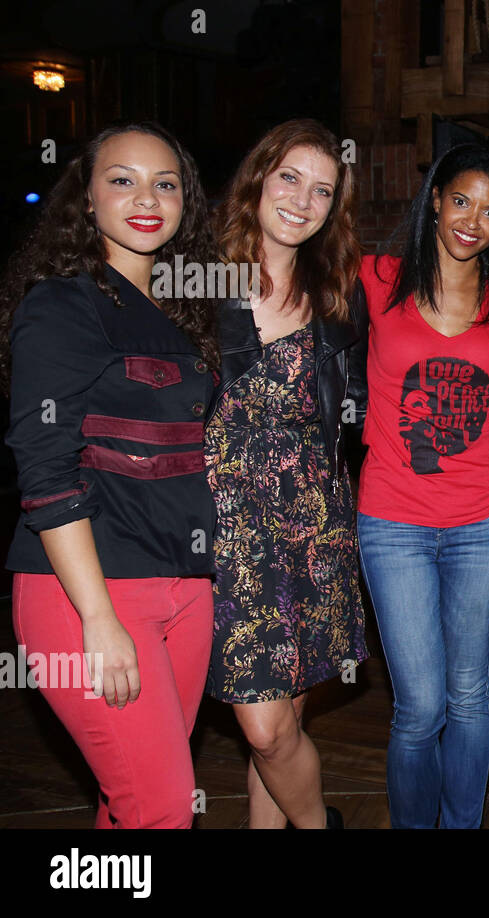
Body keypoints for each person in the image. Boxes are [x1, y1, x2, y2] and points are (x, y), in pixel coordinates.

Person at [0, 122, 220, 828]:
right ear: (86, 199)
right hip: (87, 594)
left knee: (132, 798)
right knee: (160, 809)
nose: (146, 197)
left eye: (165, 183)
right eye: (121, 179)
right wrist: (97, 617)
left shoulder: (184, 314)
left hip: (186, 590)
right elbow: (44, 469)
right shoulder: (62, 305)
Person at [356, 142, 489, 828]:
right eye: (461, 200)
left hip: (479, 521)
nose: (473, 221)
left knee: (470, 697)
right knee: (420, 706)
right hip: (392, 520)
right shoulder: (375, 278)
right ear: (435, 199)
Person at [206, 119, 367, 829]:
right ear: (258, 179)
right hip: (226, 539)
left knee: (282, 728)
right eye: (290, 178)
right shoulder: (199, 280)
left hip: (316, 528)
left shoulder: (335, 295)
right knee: (268, 730)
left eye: (323, 190)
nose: (303, 199)